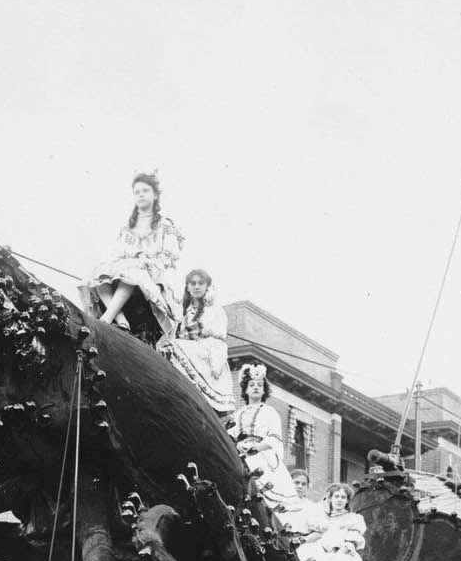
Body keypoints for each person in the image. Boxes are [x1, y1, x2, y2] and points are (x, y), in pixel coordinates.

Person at [79, 172, 184, 339]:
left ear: (155, 195)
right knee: (99, 272)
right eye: (137, 192)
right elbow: (117, 254)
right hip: (128, 268)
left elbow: (166, 258)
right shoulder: (128, 228)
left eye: (145, 190)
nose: (141, 194)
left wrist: (142, 261)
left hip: (155, 274)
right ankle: (120, 317)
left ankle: (107, 318)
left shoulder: (164, 225)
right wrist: (126, 261)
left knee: (133, 273)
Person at [225, 362, 307, 526]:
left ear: (264, 390)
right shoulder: (238, 414)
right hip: (240, 452)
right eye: (251, 385)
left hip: (261, 454)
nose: (255, 388)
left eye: (259, 385)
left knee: (259, 479)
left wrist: (256, 447)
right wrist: (236, 444)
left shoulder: (269, 412)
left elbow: (274, 438)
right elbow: (230, 435)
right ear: (245, 389)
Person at [158, 269, 232, 413]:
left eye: (200, 283)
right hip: (187, 349)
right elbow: (174, 334)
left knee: (176, 346)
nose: (196, 287)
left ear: (207, 287)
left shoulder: (215, 310)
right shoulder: (183, 311)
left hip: (205, 354)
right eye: (193, 283)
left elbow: (217, 341)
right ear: (187, 286)